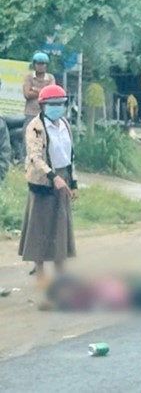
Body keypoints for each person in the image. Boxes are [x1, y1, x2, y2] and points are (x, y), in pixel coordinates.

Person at [19, 84, 77, 287]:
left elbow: (70, 155)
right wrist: (53, 177)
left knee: (60, 230)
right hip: (43, 181)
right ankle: (41, 278)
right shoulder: (35, 127)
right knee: (39, 230)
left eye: (60, 104)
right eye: (52, 104)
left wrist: (73, 181)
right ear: (43, 106)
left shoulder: (64, 124)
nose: (57, 107)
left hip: (62, 179)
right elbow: (35, 157)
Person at [22, 52, 56, 129]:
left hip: (46, 114)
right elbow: (27, 94)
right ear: (34, 64)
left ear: (46, 65)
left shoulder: (50, 78)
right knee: (28, 136)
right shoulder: (28, 77)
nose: (40, 66)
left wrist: (34, 89)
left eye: (43, 64)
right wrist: (44, 91)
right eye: (38, 64)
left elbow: (51, 95)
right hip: (31, 113)